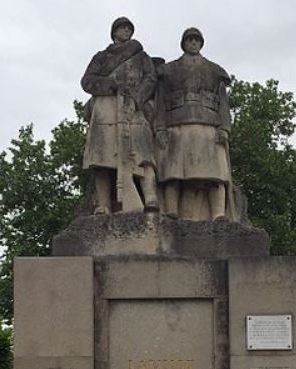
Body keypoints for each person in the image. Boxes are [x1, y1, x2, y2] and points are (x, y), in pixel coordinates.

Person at [81, 17, 158, 214]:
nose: (126, 31)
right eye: (122, 28)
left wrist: (137, 99)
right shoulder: (101, 57)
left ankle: (150, 198)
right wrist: (110, 85)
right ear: (114, 32)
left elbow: (151, 79)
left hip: (133, 106)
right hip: (105, 107)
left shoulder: (142, 56)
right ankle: (104, 204)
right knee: (102, 157)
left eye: (128, 28)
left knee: (143, 153)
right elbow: (87, 82)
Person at [155, 27, 232, 221]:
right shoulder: (168, 70)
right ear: (184, 43)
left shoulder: (215, 71)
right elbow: (160, 102)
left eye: (196, 40)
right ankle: (171, 210)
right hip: (177, 125)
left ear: (201, 43)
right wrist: (160, 128)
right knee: (173, 173)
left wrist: (224, 128)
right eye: (190, 40)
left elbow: (223, 103)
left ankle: (218, 213)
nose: (193, 43)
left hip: (208, 125)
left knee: (216, 175)